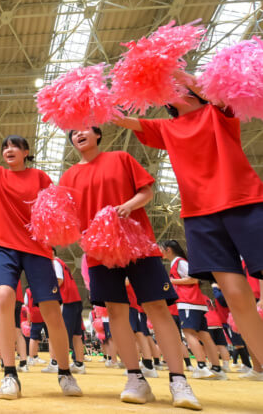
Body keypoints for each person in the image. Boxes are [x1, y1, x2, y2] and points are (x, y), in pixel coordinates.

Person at [114, 71, 263, 381]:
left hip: (245, 202)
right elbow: (120, 119)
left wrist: (170, 66)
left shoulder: (218, 111)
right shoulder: (165, 128)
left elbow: (213, 91)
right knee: (236, 294)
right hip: (199, 216)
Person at [60, 126, 200, 409]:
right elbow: (69, 216)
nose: (78, 134)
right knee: (115, 312)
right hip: (99, 252)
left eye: (84, 129)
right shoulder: (68, 176)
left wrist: (126, 206)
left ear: (98, 134)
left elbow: (146, 191)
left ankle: (178, 380)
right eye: (73, 132)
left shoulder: (121, 158)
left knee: (157, 307)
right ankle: (135, 378)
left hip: (138, 244)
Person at [0, 125, 81, 399]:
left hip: (38, 248)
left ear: (26, 152)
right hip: (4, 246)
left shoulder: (40, 176)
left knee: (51, 308)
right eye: (5, 146)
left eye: (15, 145)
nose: (8, 150)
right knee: (2, 296)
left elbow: (56, 208)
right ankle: (9, 375)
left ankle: (65, 372)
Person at [161, 239, 225, 379]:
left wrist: (172, 281)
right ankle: (216, 367)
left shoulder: (179, 262)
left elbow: (194, 279)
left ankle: (201, 366)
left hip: (188, 302)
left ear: (168, 250)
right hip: (195, 302)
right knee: (204, 335)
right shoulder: (178, 262)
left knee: (189, 333)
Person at [52, 254, 86, 373]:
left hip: (67, 300)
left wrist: (50, 292)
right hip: (75, 299)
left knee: (64, 335)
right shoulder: (63, 263)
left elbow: (59, 280)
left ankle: (61, 365)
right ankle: (79, 364)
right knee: (77, 335)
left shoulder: (55, 262)